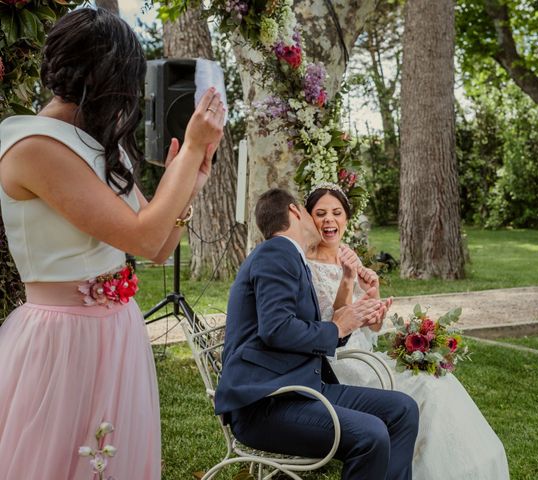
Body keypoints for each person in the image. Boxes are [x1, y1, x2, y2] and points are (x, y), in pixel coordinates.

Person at [0, 8, 224, 479]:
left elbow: (160, 246)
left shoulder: (100, 142)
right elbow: (142, 236)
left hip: (116, 331)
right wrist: (184, 166)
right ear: (103, 75)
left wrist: (192, 183)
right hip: (62, 340)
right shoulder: (34, 145)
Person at [305, 183, 510, 480]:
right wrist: (349, 282)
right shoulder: (307, 263)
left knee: (438, 379)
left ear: (346, 218)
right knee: (425, 390)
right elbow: (337, 322)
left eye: (336, 213)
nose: (329, 220)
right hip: (343, 360)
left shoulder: (348, 254)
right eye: (320, 213)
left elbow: (371, 324)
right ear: (309, 218)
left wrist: (375, 302)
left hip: (366, 349)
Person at [215, 188, 419, 480]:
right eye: (312, 213)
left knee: (403, 409)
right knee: (371, 434)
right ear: (295, 212)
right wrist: (336, 327)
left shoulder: (289, 256)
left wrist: (349, 320)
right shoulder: (277, 251)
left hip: (299, 389)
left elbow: (301, 330)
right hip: (265, 403)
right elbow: (277, 328)